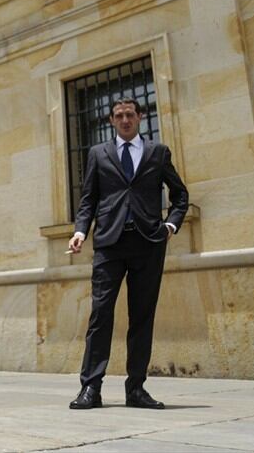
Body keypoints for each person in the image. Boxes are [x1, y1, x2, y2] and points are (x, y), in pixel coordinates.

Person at [67, 97, 189, 410]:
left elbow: (180, 195)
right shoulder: (98, 153)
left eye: (130, 115)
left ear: (140, 117)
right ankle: (90, 388)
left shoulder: (157, 152)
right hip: (109, 243)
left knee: (142, 317)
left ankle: (136, 389)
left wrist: (170, 226)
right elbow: (88, 199)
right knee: (100, 314)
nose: (125, 120)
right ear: (111, 120)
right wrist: (80, 231)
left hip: (148, 243)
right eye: (119, 116)